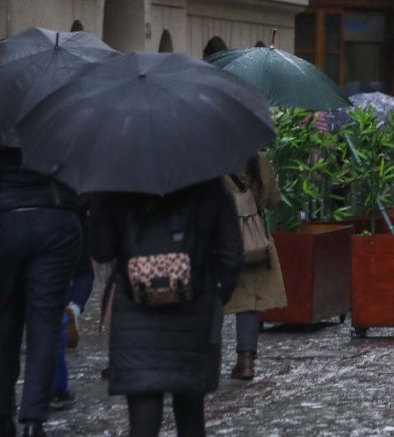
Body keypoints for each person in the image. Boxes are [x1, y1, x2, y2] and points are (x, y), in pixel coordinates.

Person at [88, 179, 243, 437]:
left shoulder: (117, 185)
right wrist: (213, 297)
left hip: (135, 315)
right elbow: (231, 253)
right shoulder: (208, 184)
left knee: (143, 416)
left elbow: (102, 250)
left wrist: (99, 202)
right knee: (191, 413)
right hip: (194, 311)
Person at [0, 146, 81, 437]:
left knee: (5, 324)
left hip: (5, 217)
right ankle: (34, 421)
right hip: (54, 215)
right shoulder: (59, 107)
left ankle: (3, 417)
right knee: (45, 325)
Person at [223, 153, 287, 381]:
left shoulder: (211, 158)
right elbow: (274, 199)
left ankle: (206, 359)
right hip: (253, 239)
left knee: (212, 298)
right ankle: (246, 361)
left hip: (220, 236)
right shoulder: (258, 159)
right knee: (249, 301)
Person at [49, 225, 95, 410]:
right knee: (83, 274)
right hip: (67, 222)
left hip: (11, 224)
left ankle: (6, 399)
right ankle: (56, 390)